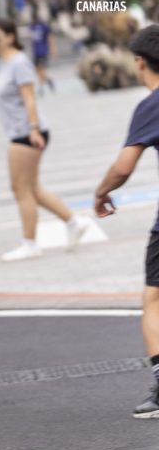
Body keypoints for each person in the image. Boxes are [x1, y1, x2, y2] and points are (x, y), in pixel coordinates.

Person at [0, 18, 90, 261]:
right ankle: (73, 222)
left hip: (27, 132)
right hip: (19, 131)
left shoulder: (19, 62)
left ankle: (30, 243)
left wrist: (34, 128)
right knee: (32, 188)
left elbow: (29, 97)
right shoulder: (1, 63)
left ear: (10, 37)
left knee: (21, 189)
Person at [93, 26, 159, 419]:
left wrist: (101, 192)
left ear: (139, 63)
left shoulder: (151, 106)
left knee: (155, 300)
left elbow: (123, 168)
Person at [29, 11, 56, 94]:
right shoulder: (32, 26)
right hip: (35, 51)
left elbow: (50, 37)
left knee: (40, 69)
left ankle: (41, 87)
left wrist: (53, 49)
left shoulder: (43, 26)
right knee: (37, 70)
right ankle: (48, 81)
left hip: (42, 50)